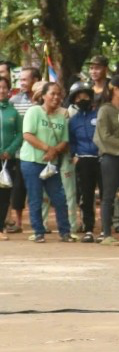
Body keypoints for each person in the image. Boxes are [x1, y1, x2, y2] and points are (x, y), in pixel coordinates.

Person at [20, 81, 71, 243]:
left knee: (59, 198)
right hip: (32, 161)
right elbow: (27, 134)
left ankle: (65, 231)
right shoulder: (34, 112)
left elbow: (64, 141)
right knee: (35, 197)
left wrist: (54, 151)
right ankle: (38, 232)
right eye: (52, 94)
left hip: (51, 164)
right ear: (43, 96)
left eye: (58, 94)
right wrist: (47, 148)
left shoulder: (61, 117)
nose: (56, 97)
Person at [95, 76, 119, 246]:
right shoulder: (105, 110)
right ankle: (106, 233)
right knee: (109, 195)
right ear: (115, 90)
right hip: (111, 158)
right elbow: (104, 136)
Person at [5, 66, 39, 234]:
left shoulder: (45, 100)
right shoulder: (15, 101)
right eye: (21, 79)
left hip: (42, 152)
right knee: (18, 188)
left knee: (40, 190)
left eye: (25, 79)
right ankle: (18, 222)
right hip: (20, 153)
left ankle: (39, 223)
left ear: (36, 80)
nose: (22, 83)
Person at [67, 82, 100, 242]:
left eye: (85, 95)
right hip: (84, 160)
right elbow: (71, 141)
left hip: (101, 159)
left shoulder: (99, 115)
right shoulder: (73, 121)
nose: (82, 99)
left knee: (106, 194)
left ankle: (106, 230)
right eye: (78, 97)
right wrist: (74, 154)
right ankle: (88, 228)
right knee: (86, 196)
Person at [0, 77, 23, 241]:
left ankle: (1, 228)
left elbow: (21, 134)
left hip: (8, 160)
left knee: (4, 195)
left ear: (9, 90)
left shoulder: (13, 111)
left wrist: (10, 150)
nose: (1, 91)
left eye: (4, 88)